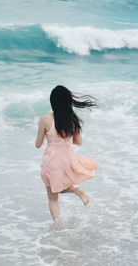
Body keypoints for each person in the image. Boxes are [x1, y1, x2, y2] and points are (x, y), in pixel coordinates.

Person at [35, 85, 99, 222]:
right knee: (59, 186)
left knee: (53, 197)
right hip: (68, 158)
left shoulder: (45, 119)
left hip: (52, 159)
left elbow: (38, 144)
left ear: (52, 101)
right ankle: (76, 190)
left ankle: (58, 226)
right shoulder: (73, 119)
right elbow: (78, 142)